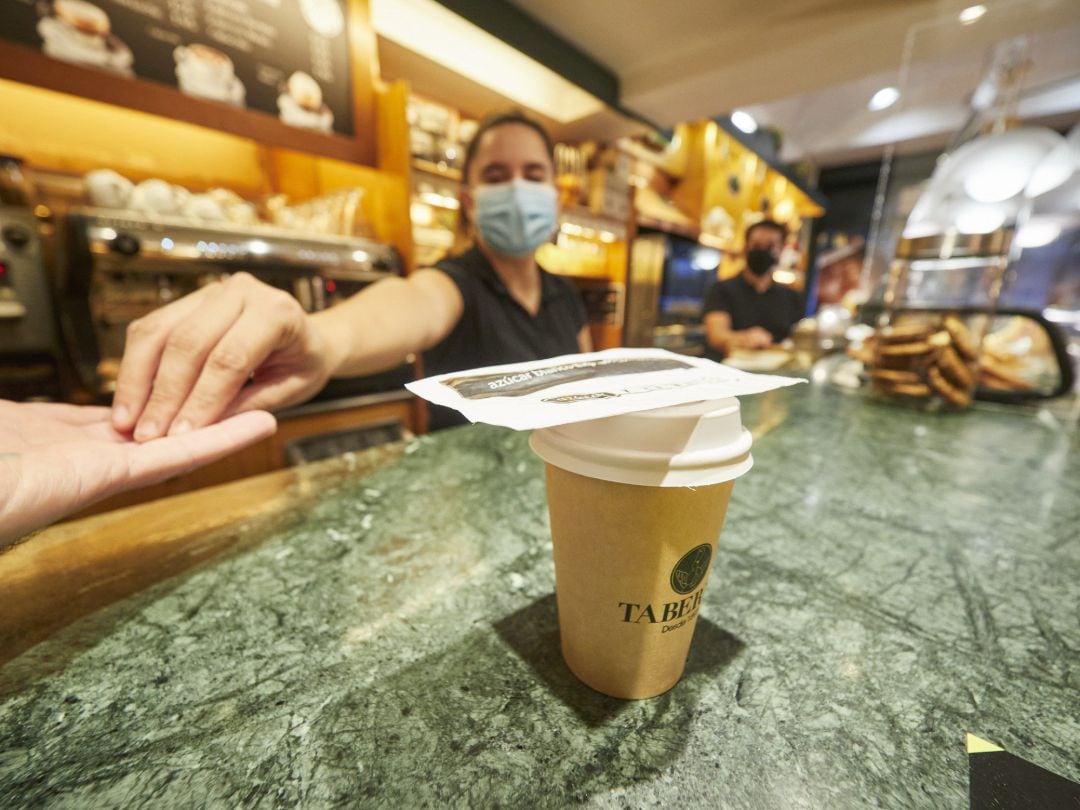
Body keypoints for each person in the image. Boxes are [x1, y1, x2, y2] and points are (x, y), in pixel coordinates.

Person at [1, 111, 590, 542]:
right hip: (467, 518)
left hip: (567, 498)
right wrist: (321, 339)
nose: (516, 187)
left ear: (554, 197)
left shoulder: (567, 299)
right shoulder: (453, 284)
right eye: (496, 174)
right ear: (468, 199)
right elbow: (406, 303)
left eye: (532, 173)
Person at [702, 219, 803, 360]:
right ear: (746, 247)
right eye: (757, 244)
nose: (762, 250)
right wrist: (744, 338)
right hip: (727, 372)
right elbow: (716, 335)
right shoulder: (721, 289)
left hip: (775, 375)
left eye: (770, 246)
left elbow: (797, 340)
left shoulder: (792, 297)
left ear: (781, 250)